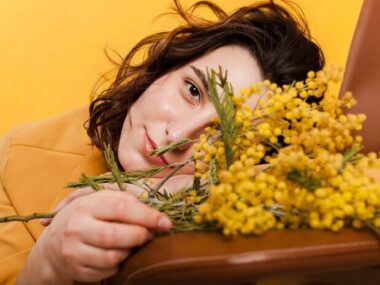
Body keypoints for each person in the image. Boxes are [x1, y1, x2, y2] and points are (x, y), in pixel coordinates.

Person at [0, 0, 324, 284]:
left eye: (225, 136)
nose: (179, 135)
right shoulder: (20, 160)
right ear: (165, 67)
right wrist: (48, 266)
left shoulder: (259, 222)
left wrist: (187, 192)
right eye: (193, 91)